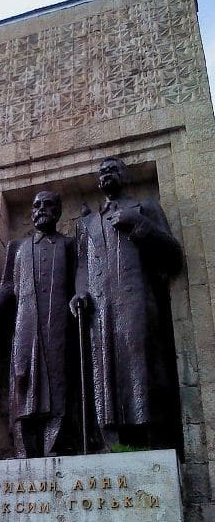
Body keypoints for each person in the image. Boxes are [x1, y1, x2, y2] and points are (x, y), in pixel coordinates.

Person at [70, 157, 183, 450]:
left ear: (127, 177)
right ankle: (111, 443)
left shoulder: (145, 208)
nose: (107, 174)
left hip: (137, 302)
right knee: (103, 375)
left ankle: (150, 440)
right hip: (100, 310)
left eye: (114, 169)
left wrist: (139, 224)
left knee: (142, 368)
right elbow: (82, 267)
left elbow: (173, 255)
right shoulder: (87, 223)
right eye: (103, 171)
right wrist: (79, 293)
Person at [0, 191, 76, 458]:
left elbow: (80, 279)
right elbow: (6, 286)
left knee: (59, 379)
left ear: (58, 212)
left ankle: (56, 445)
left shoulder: (69, 244)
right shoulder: (18, 247)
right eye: (36, 205)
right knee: (22, 378)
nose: (41, 209)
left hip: (59, 323)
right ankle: (23, 448)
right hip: (25, 323)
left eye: (48, 205)